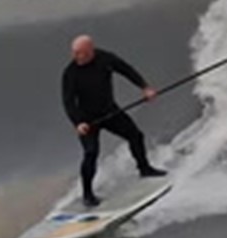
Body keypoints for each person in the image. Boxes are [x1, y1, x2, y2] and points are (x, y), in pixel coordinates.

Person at [62, 34, 164, 206]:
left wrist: (145, 87)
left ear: (90, 51)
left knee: (136, 135)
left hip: (109, 112)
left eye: (80, 53)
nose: (75, 56)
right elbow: (68, 101)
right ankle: (87, 194)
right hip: (88, 121)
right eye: (74, 52)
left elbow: (126, 70)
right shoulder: (70, 73)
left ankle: (144, 169)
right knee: (91, 152)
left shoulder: (105, 58)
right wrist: (78, 123)